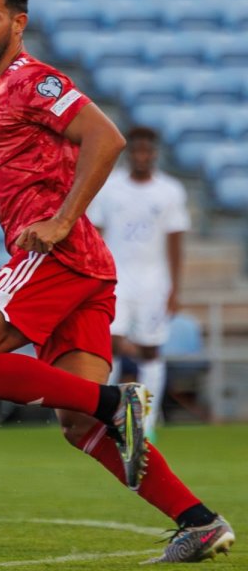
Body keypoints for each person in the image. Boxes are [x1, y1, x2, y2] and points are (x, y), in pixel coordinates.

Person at [0, 0, 234, 563]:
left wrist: (62, 221)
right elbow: (12, 206)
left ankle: (121, 402)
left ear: (18, 22)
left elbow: (105, 137)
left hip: (58, 256)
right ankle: (199, 520)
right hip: (82, 265)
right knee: (77, 421)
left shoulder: (31, 80)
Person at [89, 127, 188, 444]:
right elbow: (96, 234)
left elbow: (175, 241)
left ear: (155, 153)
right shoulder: (111, 188)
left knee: (150, 350)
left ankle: (146, 422)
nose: (142, 156)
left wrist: (175, 287)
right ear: (129, 152)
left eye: (148, 151)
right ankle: (109, 418)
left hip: (153, 281)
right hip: (116, 278)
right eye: (137, 150)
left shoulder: (170, 191)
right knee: (111, 345)